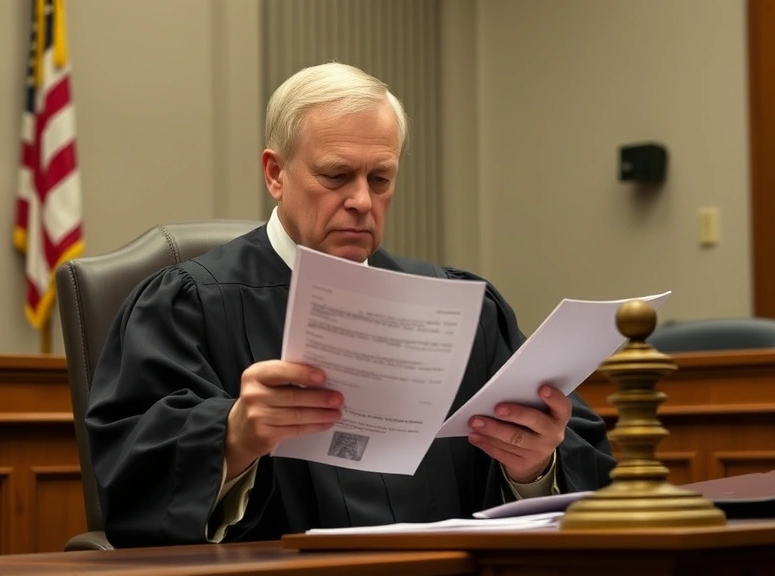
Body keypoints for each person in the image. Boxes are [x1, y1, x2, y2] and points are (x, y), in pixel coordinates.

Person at [86, 63, 615, 548]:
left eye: (380, 179)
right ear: (276, 174)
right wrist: (233, 436)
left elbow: (581, 463)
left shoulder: (464, 311)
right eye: (336, 176)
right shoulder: (190, 305)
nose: (362, 200)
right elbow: (133, 475)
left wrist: (534, 466)